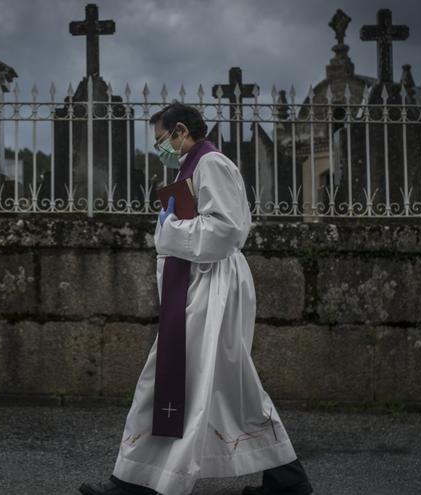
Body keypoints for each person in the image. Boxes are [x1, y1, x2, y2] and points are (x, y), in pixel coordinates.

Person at [79, 102, 313, 495]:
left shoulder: (212, 164)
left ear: (180, 131)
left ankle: (133, 484)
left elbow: (226, 230)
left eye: (161, 140)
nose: (160, 149)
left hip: (213, 284)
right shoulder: (192, 165)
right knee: (224, 382)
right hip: (200, 281)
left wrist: (170, 227)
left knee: (176, 375)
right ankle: (286, 480)